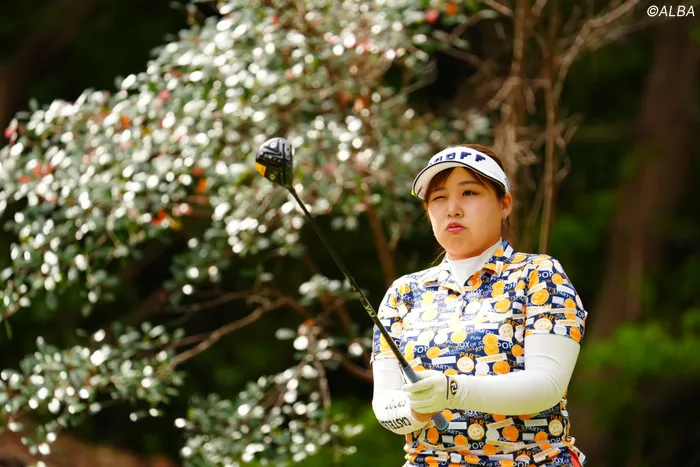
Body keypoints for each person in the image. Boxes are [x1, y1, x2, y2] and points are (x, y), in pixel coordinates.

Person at [370, 144, 587, 467]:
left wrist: (452, 390)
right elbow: (386, 407)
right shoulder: (403, 293)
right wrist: (416, 409)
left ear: (504, 204)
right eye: (439, 197)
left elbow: (547, 385)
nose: (453, 209)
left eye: (469, 192)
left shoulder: (540, 275)